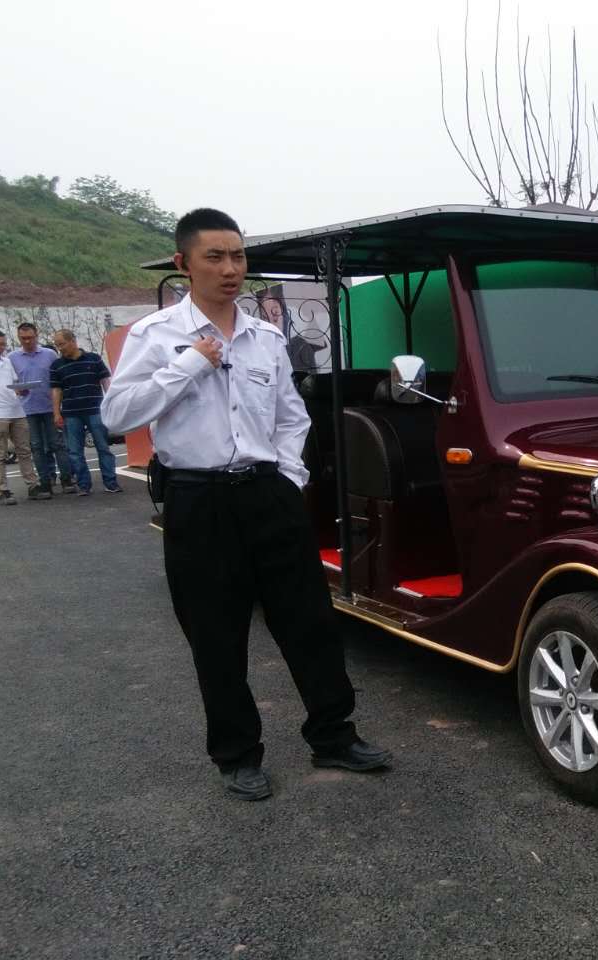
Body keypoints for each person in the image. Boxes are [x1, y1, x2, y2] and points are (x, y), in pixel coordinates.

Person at [101, 207, 390, 801]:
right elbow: (117, 415)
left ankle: (333, 735)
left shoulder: (266, 337)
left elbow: (290, 415)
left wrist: (288, 478)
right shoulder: (155, 336)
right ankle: (236, 754)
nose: (230, 269)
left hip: (267, 494)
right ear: (184, 263)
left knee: (309, 622)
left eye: (237, 256)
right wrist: (188, 365)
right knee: (216, 634)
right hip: (196, 499)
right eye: (215, 256)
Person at [50, 329, 120, 495]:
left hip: (95, 410)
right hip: (71, 413)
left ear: (73, 341)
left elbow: (105, 382)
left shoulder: (94, 359)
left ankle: (111, 483)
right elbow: (56, 390)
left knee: (103, 448)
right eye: (57, 345)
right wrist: (56, 413)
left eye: (62, 344)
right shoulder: (56, 365)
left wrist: (111, 403)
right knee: (75, 452)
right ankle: (83, 486)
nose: (60, 348)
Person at [9, 322, 76, 495]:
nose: (27, 341)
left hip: (50, 407)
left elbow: (59, 377)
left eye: (30, 337)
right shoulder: (12, 357)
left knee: (58, 444)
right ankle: (45, 482)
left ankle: (67, 479)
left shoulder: (50, 354)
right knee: (37, 447)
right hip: (27, 409)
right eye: (23, 338)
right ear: (19, 338)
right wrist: (17, 389)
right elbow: (11, 381)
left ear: (36, 335)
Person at [0, 329, 47, 506]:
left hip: (17, 410)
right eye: (0, 344)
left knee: (24, 450)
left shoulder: (6, 361)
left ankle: (33, 486)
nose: (3, 347)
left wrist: (22, 390)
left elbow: (14, 383)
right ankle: (2, 490)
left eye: (4, 344)